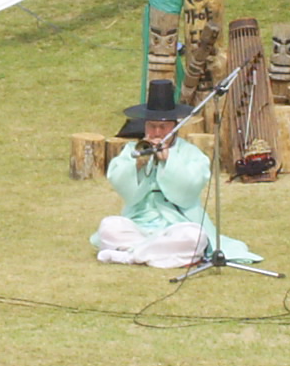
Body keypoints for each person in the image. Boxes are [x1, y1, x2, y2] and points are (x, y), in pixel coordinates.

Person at [92, 80, 259, 268]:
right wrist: (137, 165)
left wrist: (168, 161)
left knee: (193, 237)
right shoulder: (132, 150)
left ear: (174, 126)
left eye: (163, 127)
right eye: (151, 126)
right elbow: (122, 187)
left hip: (179, 222)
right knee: (109, 226)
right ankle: (154, 253)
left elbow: (187, 193)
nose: (156, 132)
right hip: (140, 221)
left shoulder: (191, 153)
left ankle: (131, 255)